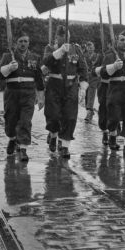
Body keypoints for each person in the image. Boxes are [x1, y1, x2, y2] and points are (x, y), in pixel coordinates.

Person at [0, 31, 45, 162]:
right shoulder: (8, 56)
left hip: (28, 94)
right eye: (20, 41)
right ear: (16, 43)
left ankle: (23, 148)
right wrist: (8, 68)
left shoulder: (34, 58)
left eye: (25, 41)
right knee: (11, 119)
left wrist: (41, 97)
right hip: (12, 93)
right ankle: (12, 139)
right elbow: (0, 76)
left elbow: (39, 78)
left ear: (29, 43)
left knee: (25, 121)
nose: (23, 44)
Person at [42, 25, 88, 159]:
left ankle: (65, 146)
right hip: (54, 86)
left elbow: (83, 68)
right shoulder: (50, 48)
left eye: (66, 35)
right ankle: (53, 134)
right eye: (61, 35)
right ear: (56, 36)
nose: (64, 38)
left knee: (70, 117)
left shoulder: (76, 49)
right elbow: (46, 62)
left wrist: (83, 87)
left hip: (70, 86)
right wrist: (59, 52)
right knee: (53, 115)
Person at [82, 41, 100, 122]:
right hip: (86, 77)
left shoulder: (98, 56)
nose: (90, 49)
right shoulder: (84, 56)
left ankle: (89, 112)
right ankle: (90, 110)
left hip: (94, 77)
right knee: (86, 94)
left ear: (94, 48)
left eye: (91, 47)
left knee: (91, 93)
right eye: (88, 47)